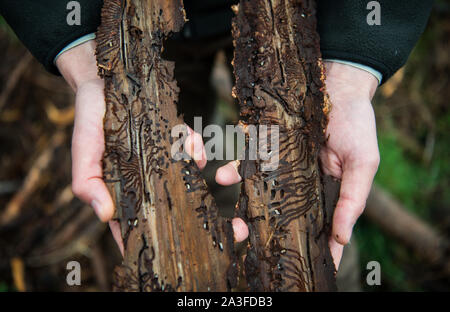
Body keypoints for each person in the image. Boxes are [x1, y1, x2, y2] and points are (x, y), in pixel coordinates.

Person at [0, 0, 434, 270]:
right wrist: (82, 49)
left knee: (314, 198)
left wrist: (354, 62)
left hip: (298, 22)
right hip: (139, 31)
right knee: (170, 153)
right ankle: (199, 222)